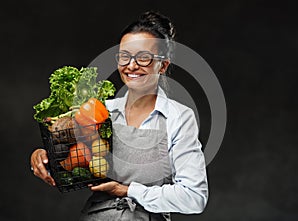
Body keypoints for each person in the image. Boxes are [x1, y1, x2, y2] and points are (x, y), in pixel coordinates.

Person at [30, 10, 208, 221]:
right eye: (125, 56)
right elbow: (75, 158)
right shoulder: (101, 111)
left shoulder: (178, 117)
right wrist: (45, 157)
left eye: (144, 58)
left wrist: (128, 191)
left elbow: (194, 197)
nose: (131, 65)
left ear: (163, 65)